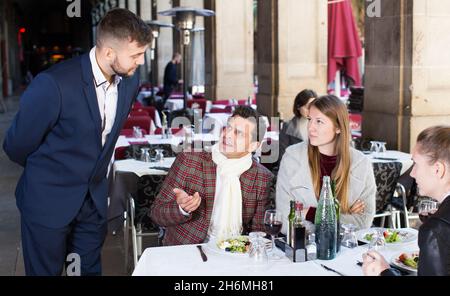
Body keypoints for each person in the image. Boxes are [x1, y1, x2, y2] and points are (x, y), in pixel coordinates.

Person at [3, 8, 151, 275]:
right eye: (136, 55)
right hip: (47, 201)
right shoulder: (54, 84)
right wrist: (52, 169)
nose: (140, 62)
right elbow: (16, 145)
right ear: (108, 52)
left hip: (93, 204)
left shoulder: (130, 82)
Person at [150, 106, 274, 246]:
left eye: (238, 133)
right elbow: (156, 214)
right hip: (187, 252)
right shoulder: (190, 159)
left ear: (253, 146)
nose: (227, 135)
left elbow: (259, 233)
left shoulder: (262, 177)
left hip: (233, 254)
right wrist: (181, 208)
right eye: (228, 127)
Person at [276, 95, 376, 234]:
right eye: (310, 120)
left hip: (348, 251)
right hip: (304, 249)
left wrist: (312, 213)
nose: (311, 127)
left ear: (338, 127)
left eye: (319, 121)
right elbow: (285, 219)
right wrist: (342, 216)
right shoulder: (292, 158)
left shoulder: (361, 164)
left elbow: (362, 222)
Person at [363, 125, 450, 276]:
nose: (413, 173)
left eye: (416, 163)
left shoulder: (435, 230)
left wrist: (383, 272)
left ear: (438, 170)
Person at [278, 89, 317, 160]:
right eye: (307, 107)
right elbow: (283, 155)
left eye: (313, 106)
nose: (310, 110)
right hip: (295, 167)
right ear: (298, 106)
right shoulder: (287, 126)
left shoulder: (321, 125)